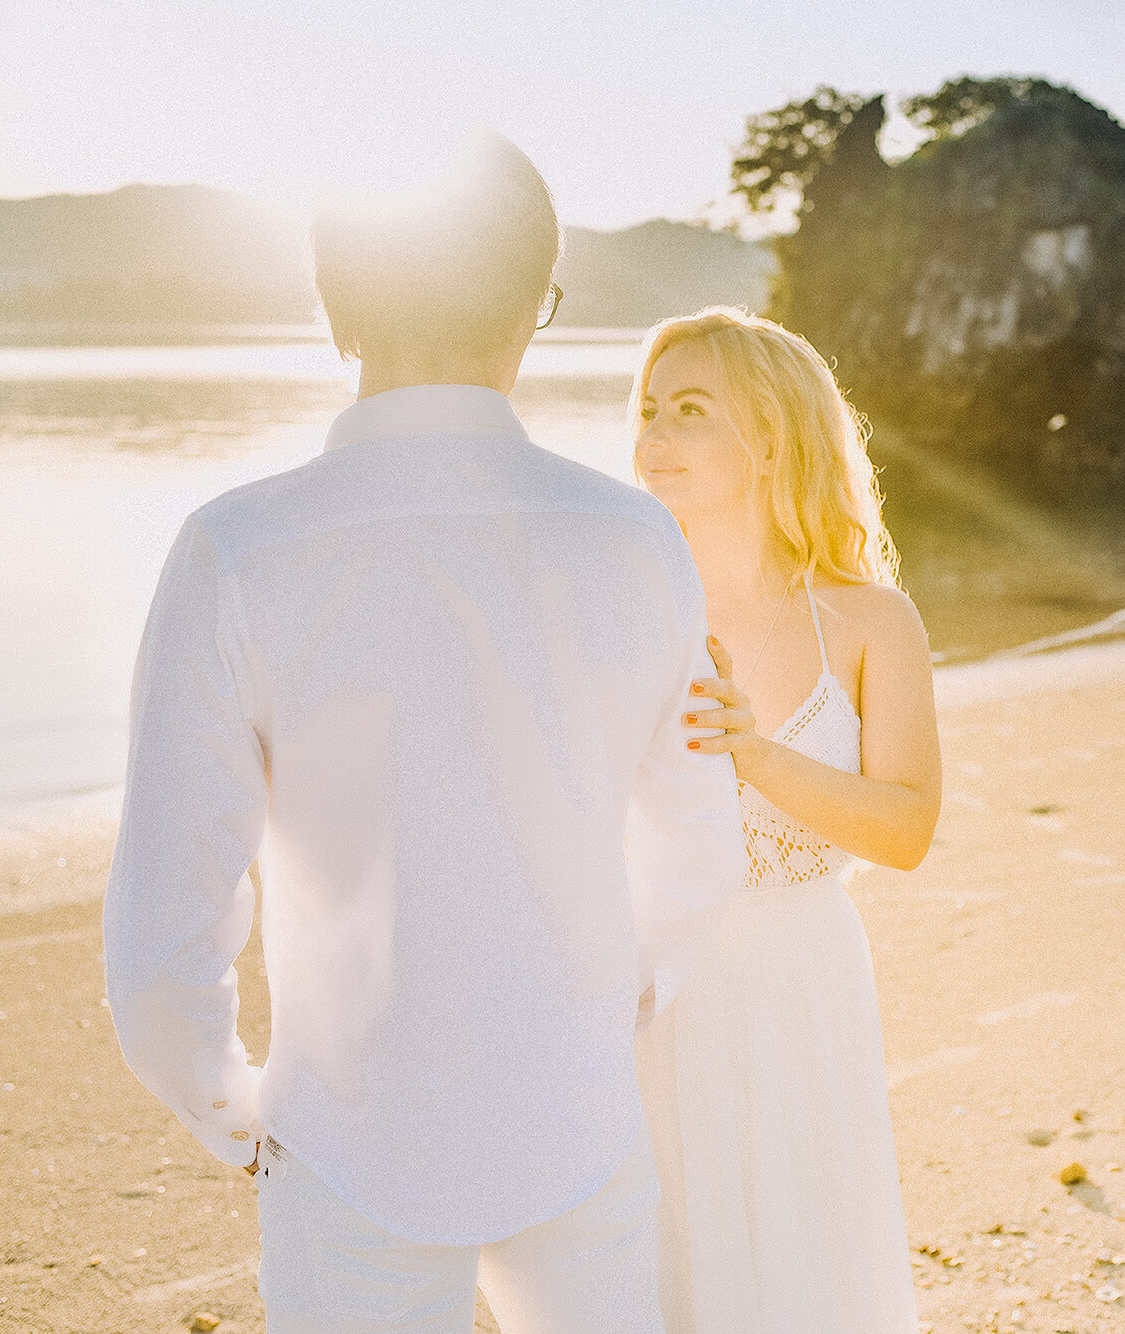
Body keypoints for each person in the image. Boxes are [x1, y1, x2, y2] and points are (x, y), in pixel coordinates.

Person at [101, 131, 746, 1334]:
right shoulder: (633, 540)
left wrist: (231, 1105)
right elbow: (697, 850)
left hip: (347, 1132)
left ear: (334, 311)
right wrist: (614, 1004)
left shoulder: (235, 550)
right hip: (576, 1111)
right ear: (531, 313)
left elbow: (160, 933)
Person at [630, 308, 941, 1333]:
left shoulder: (867, 618)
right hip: (644, 980)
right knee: (654, 1251)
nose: (653, 434)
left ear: (768, 437)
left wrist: (755, 754)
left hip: (798, 980)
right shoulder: (622, 601)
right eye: (647, 409)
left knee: (800, 1259)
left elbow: (904, 829)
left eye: (688, 409)